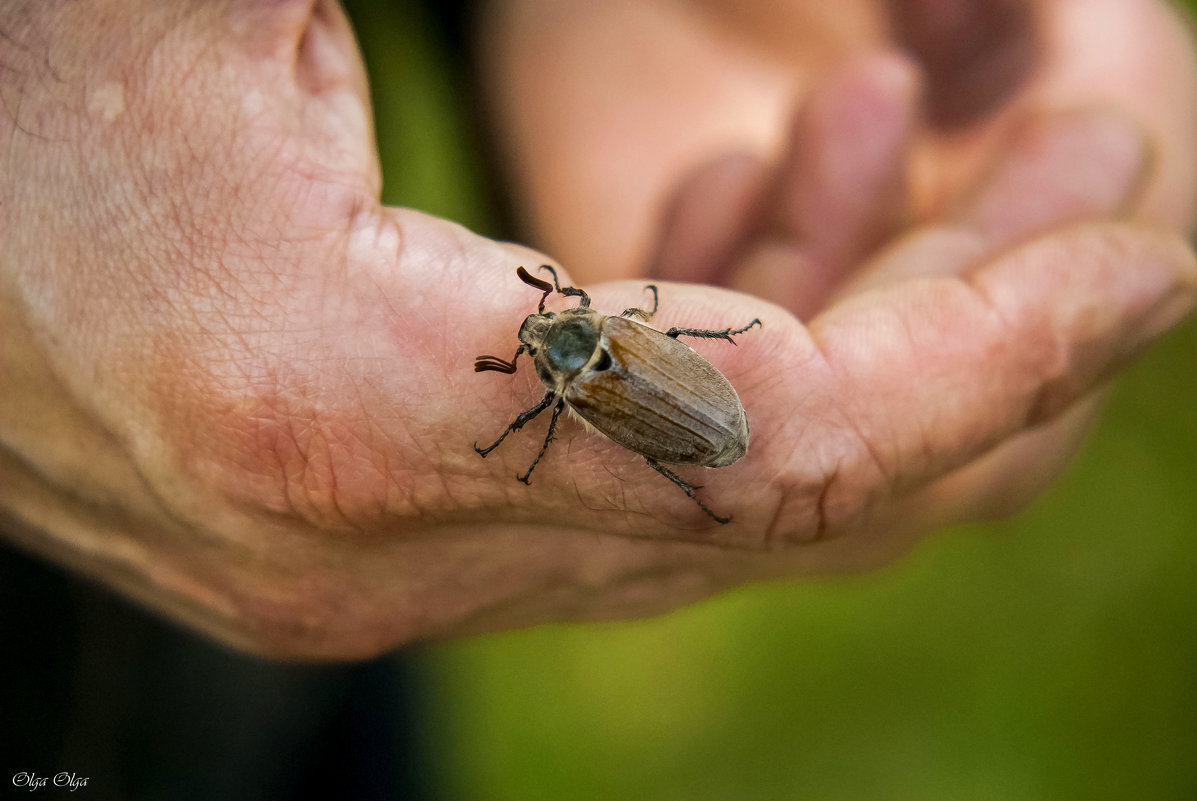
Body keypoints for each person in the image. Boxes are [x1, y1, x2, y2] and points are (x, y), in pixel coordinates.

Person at [0, 0, 1193, 659]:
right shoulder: (586, 367)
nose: (543, 335)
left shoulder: (590, 352)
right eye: (545, 337)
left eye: (546, 328)